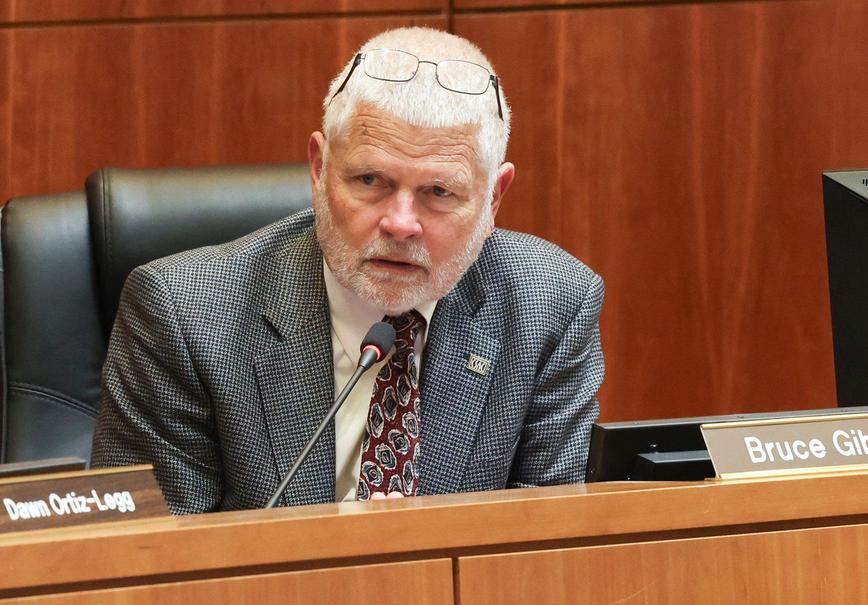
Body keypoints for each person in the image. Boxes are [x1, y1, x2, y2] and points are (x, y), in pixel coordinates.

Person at [90, 27, 604, 514]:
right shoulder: (186, 314)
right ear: (318, 170)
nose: (401, 224)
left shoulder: (550, 306)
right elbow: (146, 566)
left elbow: (550, 553)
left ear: (494, 199)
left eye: (439, 192)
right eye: (369, 179)